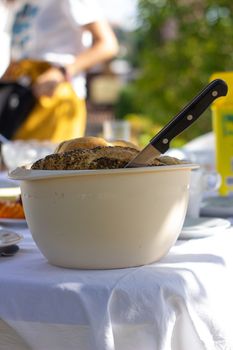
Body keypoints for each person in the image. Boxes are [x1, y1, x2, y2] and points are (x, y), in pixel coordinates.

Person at [0, 0, 118, 142]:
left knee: (50, 161)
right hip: (20, 99)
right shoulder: (21, 4)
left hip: (55, 95)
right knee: (13, 159)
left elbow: (107, 45)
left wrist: (61, 73)